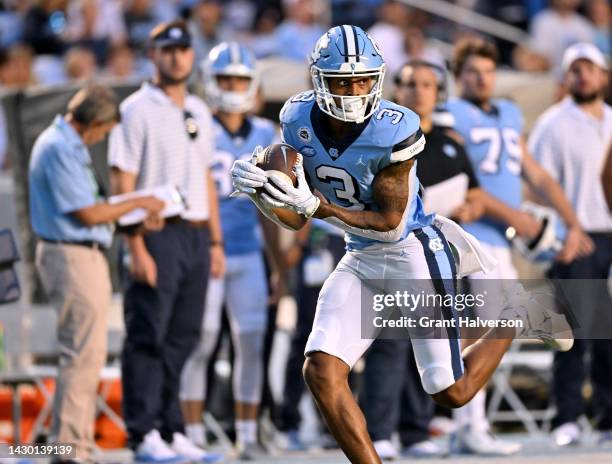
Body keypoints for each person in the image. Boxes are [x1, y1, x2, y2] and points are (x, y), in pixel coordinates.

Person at [230, 25, 573, 464]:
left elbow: (390, 224)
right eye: (342, 82)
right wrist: (266, 194)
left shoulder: (394, 128)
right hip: (359, 255)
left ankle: (517, 313)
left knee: (451, 391)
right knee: (320, 369)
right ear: (318, 80)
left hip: (413, 251)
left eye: (362, 80)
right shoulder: (296, 119)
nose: (354, 91)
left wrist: (318, 207)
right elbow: (295, 221)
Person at [444, 37, 593, 456]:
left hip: (502, 240)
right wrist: (519, 219)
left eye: (488, 71)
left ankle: (467, 419)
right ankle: (466, 420)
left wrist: (572, 221)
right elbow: (465, 188)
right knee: (489, 326)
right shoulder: (450, 114)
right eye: (473, 71)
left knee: (491, 330)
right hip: (471, 238)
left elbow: (538, 175)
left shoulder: (508, 113)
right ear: (459, 77)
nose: (482, 79)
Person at [108, 20, 224, 463]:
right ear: (152, 55)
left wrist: (215, 242)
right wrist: (134, 244)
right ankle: (144, 431)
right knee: (148, 333)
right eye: (166, 49)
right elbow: (122, 180)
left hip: (195, 233)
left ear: (192, 55)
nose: (176, 57)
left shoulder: (198, 108)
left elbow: (208, 181)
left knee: (183, 336)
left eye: (183, 49)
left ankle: (172, 427)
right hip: (156, 233)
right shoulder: (136, 109)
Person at [29, 85, 164, 463]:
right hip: (71, 255)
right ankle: (71, 448)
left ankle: (76, 444)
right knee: (82, 354)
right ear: (93, 124)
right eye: (103, 132)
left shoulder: (64, 144)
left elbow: (92, 211)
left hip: (79, 253)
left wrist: (126, 218)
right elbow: (86, 213)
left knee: (86, 352)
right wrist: (138, 201)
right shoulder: (59, 147)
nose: (101, 139)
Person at [179, 41, 283, 460]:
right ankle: (191, 435)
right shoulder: (197, 125)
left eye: (239, 79)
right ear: (210, 81)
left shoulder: (265, 134)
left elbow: (272, 208)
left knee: (252, 343)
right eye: (225, 78)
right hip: (207, 251)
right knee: (200, 342)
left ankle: (247, 434)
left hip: (248, 251)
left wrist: (278, 264)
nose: (232, 86)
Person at [528, 42, 612, 447]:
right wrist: (560, 235)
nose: (584, 76)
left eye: (590, 68)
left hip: (609, 232)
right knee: (574, 333)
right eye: (575, 69)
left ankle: (608, 417)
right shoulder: (552, 123)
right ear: (567, 76)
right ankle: (568, 417)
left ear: (603, 75)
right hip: (575, 237)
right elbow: (539, 185)